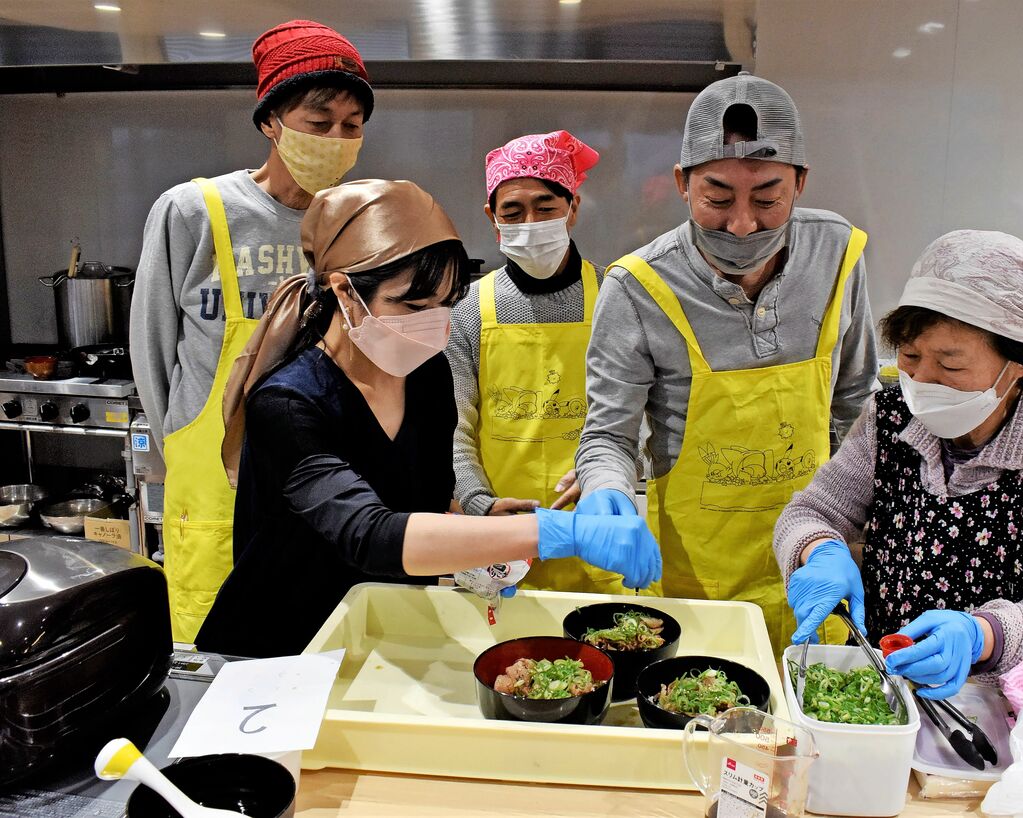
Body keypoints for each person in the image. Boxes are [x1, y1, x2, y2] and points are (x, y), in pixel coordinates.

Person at [193, 180, 661, 658]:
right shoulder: (289, 404)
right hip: (280, 644)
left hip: (384, 627)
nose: (435, 323)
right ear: (346, 293)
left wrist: (479, 526)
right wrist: (563, 533)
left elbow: (423, 498)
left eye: (445, 303)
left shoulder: (426, 374)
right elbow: (369, 532)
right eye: (413, 306)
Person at [574, 72, 879, 650]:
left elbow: (857, 405)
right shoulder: (638, 286)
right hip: (698, 582)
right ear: (682, 184)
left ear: (801, 183)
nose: (742, 223)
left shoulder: (839, 255)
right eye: (717, 199)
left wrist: (857, 529)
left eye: (768, 199)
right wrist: (605, 491)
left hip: (813, 567)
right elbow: (607, 437)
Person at [776, 230, 1023, 699]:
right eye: (910, 356)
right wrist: (817, 550)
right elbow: (812, 512)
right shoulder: (891, 417)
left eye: (951, 365)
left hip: (1007, 710)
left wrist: (981, 634)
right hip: (885, 685)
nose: (921, 380)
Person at [130, 20, 374, 642]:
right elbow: (152, 348)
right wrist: (183, 446)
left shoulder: (354, 219)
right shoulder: (195, 210)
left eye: (352, 125)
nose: (338, 139)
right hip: (212, 477)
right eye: (319, 124)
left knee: (312, 649)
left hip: (320, 472)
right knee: (213, 654)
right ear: (271, 121)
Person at [446, 131, 627, 594]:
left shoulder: (616, 296)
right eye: (513, 211)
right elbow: (454, 426)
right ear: (492, 218)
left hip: (595, 532)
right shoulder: (469, 307)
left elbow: (642, 417)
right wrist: (480, 504)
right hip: (499, 539)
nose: (530, 221)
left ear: (573, 207)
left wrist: (609, 479)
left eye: (545, 208)